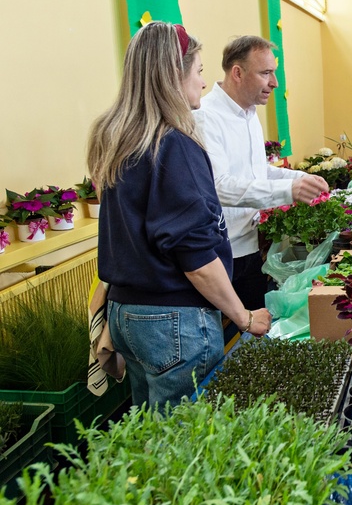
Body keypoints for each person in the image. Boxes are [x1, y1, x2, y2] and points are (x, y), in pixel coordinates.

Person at [88, 22, 272, 409]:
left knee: (153, 433)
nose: (204, 83)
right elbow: (196, 257)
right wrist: (242, 316)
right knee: (186, 444)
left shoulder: (115, 136)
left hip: (126, 314)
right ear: (175, 74)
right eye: (200, 71)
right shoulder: (173, 145)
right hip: (173, 319)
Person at [195, 36, 328, 309]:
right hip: (221, 253)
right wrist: (288, 191)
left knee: (254, 333)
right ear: (237, 73)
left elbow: (257, 172)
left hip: (251, 248)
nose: (274, 82)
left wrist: (300, 179)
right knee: (231, 338)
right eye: (265, 73)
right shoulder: (206, 116)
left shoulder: (249, 113)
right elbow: (218, 186)